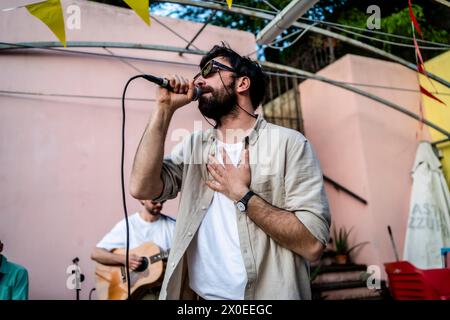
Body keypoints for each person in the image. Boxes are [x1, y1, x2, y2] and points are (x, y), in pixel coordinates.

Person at [129, 43, 331, 300]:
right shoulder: (194, 146)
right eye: (199, 73)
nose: (200, 79)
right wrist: (163, 108)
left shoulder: (288, 144)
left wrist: (243, 196)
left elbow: (313, 244)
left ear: (242, 83)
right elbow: (142, 188)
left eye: (210, 70)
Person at [91, 200, 175, 298]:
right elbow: (95, 253)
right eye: (154, 202)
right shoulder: (128, 225)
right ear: (142, 200)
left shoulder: (172, 226)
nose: (160, 205)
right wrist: (124, 260)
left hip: (162, 289)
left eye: (162, 201)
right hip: (133, 292)